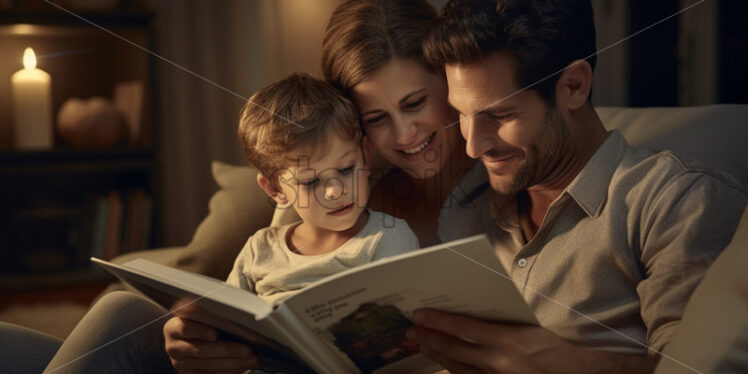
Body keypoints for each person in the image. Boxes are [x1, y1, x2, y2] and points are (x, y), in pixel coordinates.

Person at [401, 0, 748, 373]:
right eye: (462, 115)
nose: (473, 145)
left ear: (574, 86)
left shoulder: (673, 201)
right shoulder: (467, 204)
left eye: (500, 115)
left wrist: (568, 364)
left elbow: (691, 366)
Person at [164, 1, 495, 372]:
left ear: (451, 82)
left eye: (415, 102)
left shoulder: (502, 173)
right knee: (123, 311)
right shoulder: (333, 175)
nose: (404, 134)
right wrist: (196, 339)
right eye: (376, 117)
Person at [227, 72, 419, 305]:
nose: (334, 191)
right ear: (275, 189)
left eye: (346, 169)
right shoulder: (259, 248)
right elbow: (227, 317)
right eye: (311, 181)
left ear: (365, 157)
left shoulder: (388, 238)